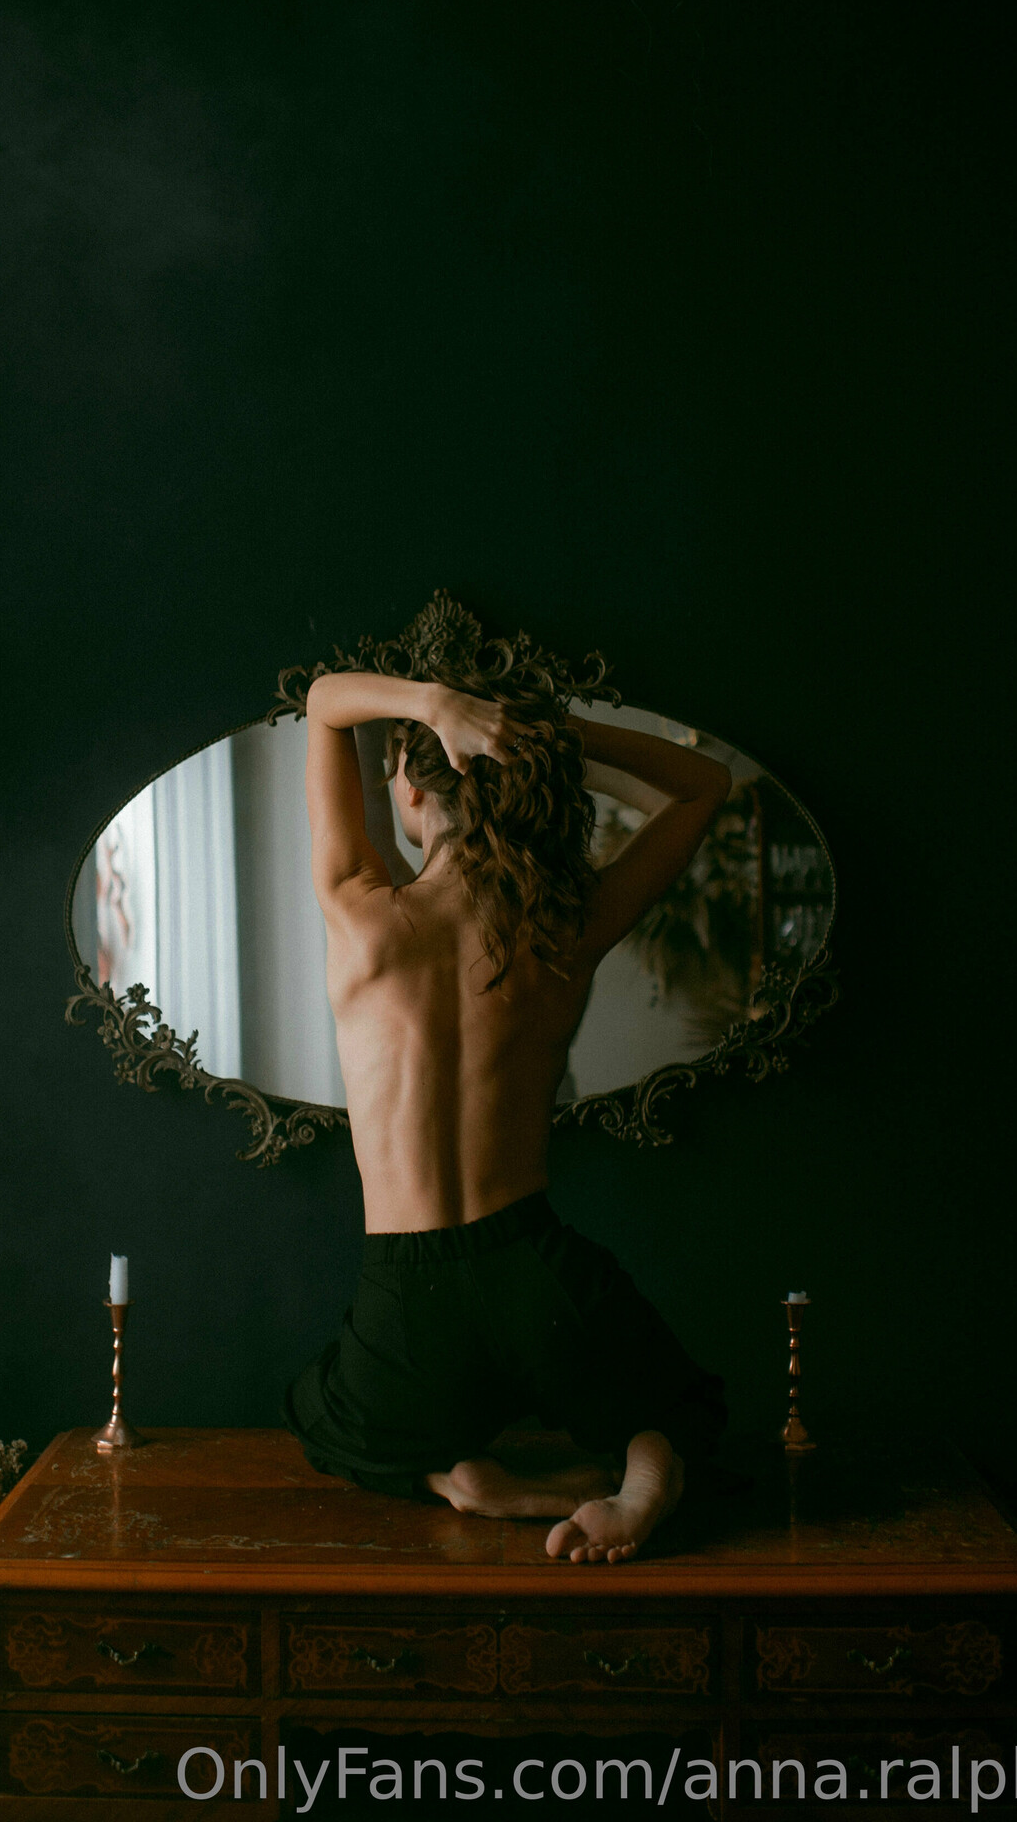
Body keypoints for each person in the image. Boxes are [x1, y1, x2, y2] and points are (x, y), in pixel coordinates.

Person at [282, 667, 732, 1563]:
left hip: (407, 1299)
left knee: (320, 1412)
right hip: (533, 1270)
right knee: (669, 1407)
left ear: (413, 788)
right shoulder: (565, 925)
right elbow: (702, 785)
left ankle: (457, 1477)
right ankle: (646, 1473)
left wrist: (432, 704)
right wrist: (548, 734)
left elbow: (324, 702)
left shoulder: (362, 915)